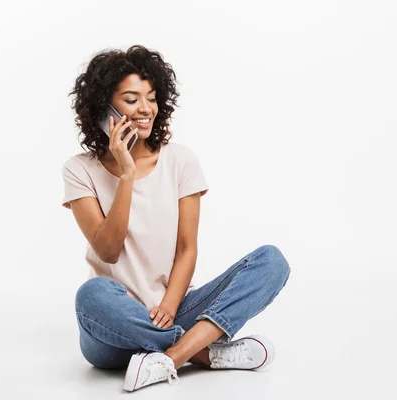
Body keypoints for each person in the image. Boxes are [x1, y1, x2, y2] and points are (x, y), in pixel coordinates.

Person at [62, 44, 291, 392]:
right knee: (91, 294)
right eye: (131, 98)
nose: (145, 108)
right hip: (112, 329)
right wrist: (125, 174)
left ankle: (170, 355)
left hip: (173, 307)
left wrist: (169, 304)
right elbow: (108, 251)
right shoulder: (79, 170)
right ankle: (205, 354)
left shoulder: (180, 161)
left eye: (151, 98)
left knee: (272, 261)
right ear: (103, 109)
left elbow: (187, 249)